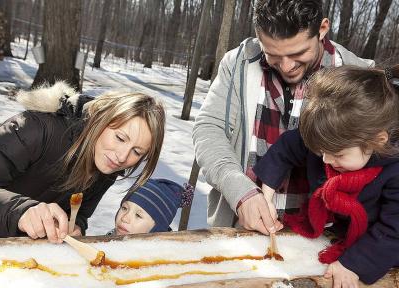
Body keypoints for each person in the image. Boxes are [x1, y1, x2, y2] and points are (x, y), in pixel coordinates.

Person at [193, 0, 374, 235]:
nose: (287, 66)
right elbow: (209, 129)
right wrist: (239, 190)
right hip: (241, 230)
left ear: (322, 29)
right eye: (273, 55)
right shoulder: (237, 63)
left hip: (326, 238)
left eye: (298, 53)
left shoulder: (361, 77)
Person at [253, 65, 399, 286]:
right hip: (334, 236)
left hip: (379, 252)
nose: (325, 160)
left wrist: (354, 264)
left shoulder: (394, 169)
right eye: (320, 152)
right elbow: (286, 148)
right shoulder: (327, 136)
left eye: (338, 154)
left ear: (378, 141)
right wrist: (266, 195)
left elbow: (394, 231)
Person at [0, 82, 165, 243]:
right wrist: (20, 212)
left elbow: (81, 213)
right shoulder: (37, 129)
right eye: (120, 138)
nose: (122, 157)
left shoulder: (108, 166)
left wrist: (75, 226)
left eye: (137, 151)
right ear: (101, 119)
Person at [108, 178, 193, 235]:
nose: (124, 218)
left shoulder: (160, 260)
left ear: (157, 229)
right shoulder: (106, 242)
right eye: (124, 208)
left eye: (138, 215)